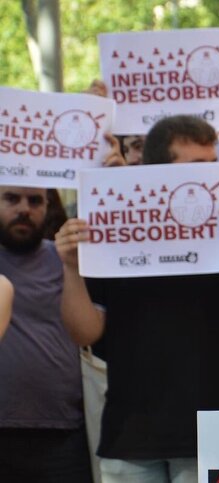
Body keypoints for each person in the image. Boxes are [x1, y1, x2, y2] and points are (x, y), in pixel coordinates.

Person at [55, 115, 219, 483]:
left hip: (210, 435)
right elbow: (85, 333)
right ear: (157, 171)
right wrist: (72, 269)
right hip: (129, 436)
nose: (213, 176)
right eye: (199, 167)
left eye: (215, 164)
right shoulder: (111, 226)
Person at [0, 186, 93, 482]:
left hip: (63, 434)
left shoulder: (70, 261)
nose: (24, 209)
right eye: (12, 198)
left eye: (35, 200)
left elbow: (88, 332)